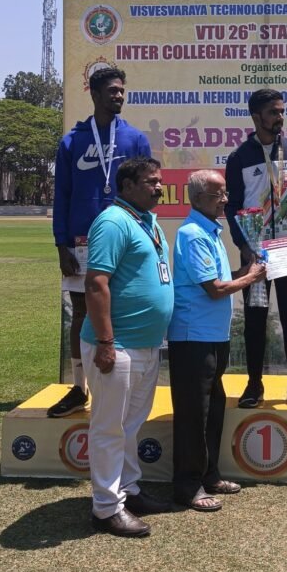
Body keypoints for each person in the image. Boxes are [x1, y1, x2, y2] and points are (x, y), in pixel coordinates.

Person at [49, 67, 151, 418]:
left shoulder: (135, 139)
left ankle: (123, 381)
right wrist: (61, 245)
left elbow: (146, 191)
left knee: (121, 307)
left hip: (125, 241)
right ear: (94, 94)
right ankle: (79, 388)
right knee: (81, 313)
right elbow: (62, 195)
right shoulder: (72, 142)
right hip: (81, 243)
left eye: (122, 90)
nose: (119, 95)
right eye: (112, 91)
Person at [81, 157, 174, 537]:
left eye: (159, 181)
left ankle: (128, 491)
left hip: (145, 345)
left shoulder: (147, 221)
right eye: (151, 182)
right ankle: (106, 508)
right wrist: (105, 342)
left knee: (130, 427)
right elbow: (95, 283)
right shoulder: (113, 222)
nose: (159, 187)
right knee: (109, 429)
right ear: (128, 185)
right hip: (115, 346)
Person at [168, 170, 266, 512]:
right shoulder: (194, 235)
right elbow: (215, 289)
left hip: (212, 337)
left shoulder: (210, 231)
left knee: (212, 411)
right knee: (194, 415)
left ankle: (209, 475)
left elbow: (224, 279)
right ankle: (188, 486)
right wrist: (251, 278)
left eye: (225, 193)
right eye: (217, 195)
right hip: (193, 338)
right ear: (197, 199)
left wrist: (249, 270)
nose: (225, 200)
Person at [225, 88, 287, 410]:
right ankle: (254, 384)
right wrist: (243, 245)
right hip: (257, 253)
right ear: (256, 117)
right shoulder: (239, 158)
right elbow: (232, 207)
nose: (280, 117)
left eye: (282, 111)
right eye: (273, 112)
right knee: (255, 318)